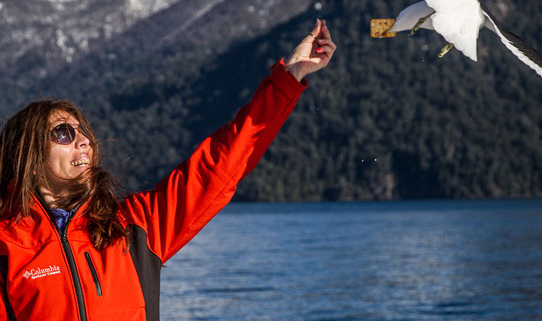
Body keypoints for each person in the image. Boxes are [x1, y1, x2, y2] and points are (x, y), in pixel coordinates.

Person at [0, 19, 336, 321]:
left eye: (84, 131)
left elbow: (219, 165)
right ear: (27, 155)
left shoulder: (133, 228)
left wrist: (289, 76)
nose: (84, 141)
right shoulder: (7, 245)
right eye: (63, 133)